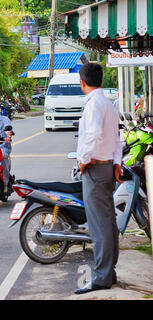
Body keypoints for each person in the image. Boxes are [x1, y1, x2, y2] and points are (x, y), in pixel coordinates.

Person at [74, 62, 123, 295]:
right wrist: (116, 163)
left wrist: (84, 159)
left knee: (99, 225)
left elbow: (91, 135)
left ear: (83, 82)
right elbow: (117, 139)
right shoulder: (109, 105)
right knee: (108, 221)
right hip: (107, 167)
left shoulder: (93, 105)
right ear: (101, 80)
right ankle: (109, 272)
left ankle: (102, 276)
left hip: (94, 168)